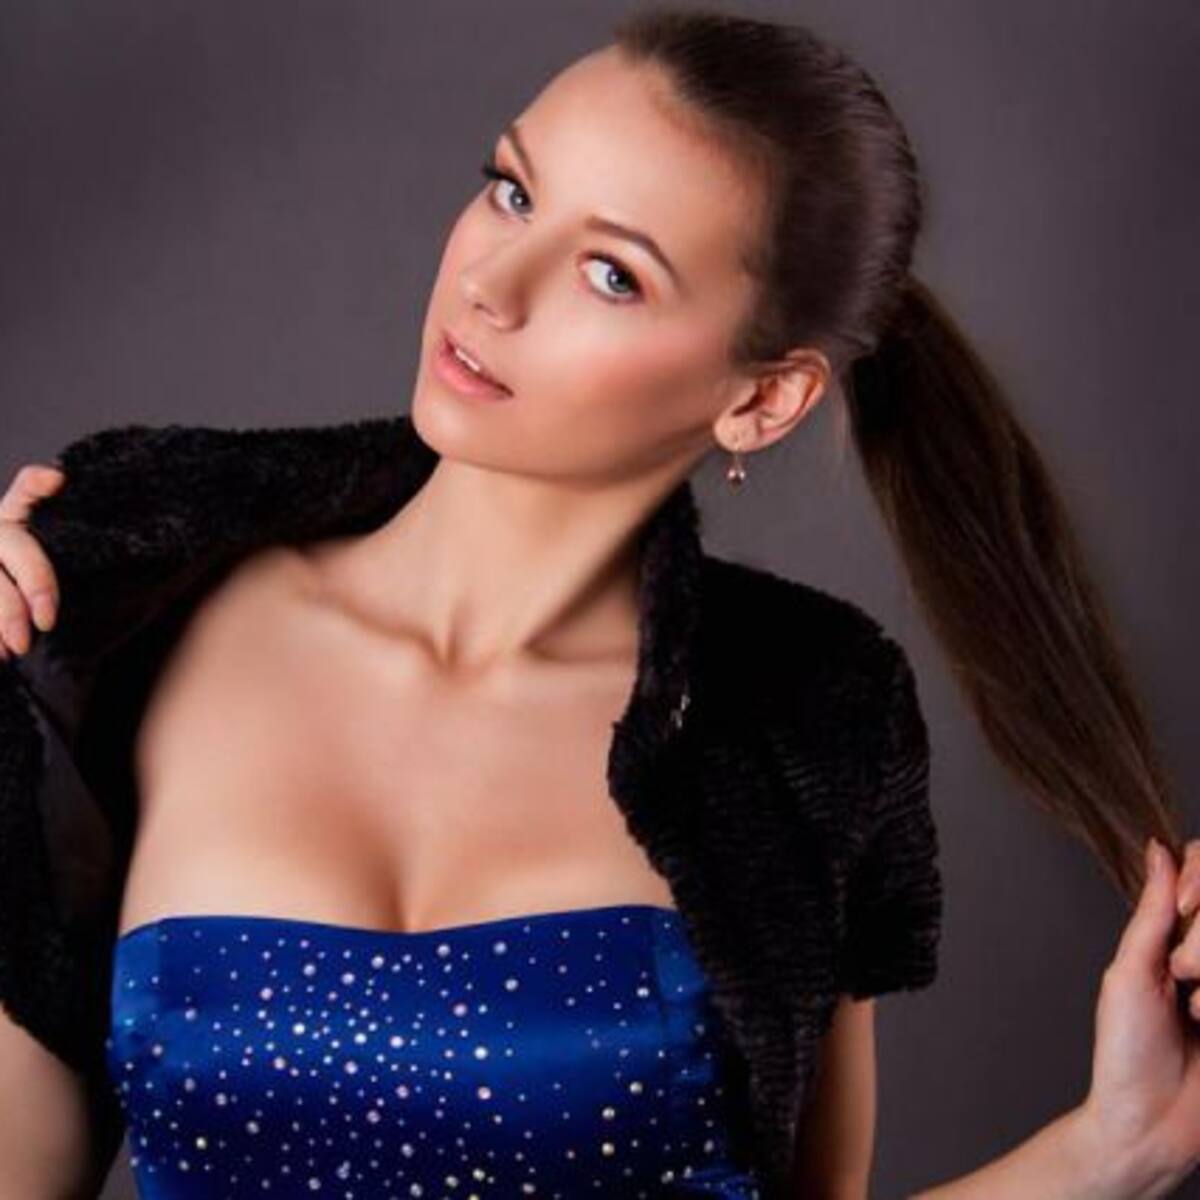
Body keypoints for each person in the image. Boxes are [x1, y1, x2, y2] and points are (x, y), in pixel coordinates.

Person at [1, 6, 1199, 1198]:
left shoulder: (811, 719)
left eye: (612, 273)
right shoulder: (113, 616)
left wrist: (1120, 1146)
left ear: (763, 401)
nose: (492, 284)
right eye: (513, 192)